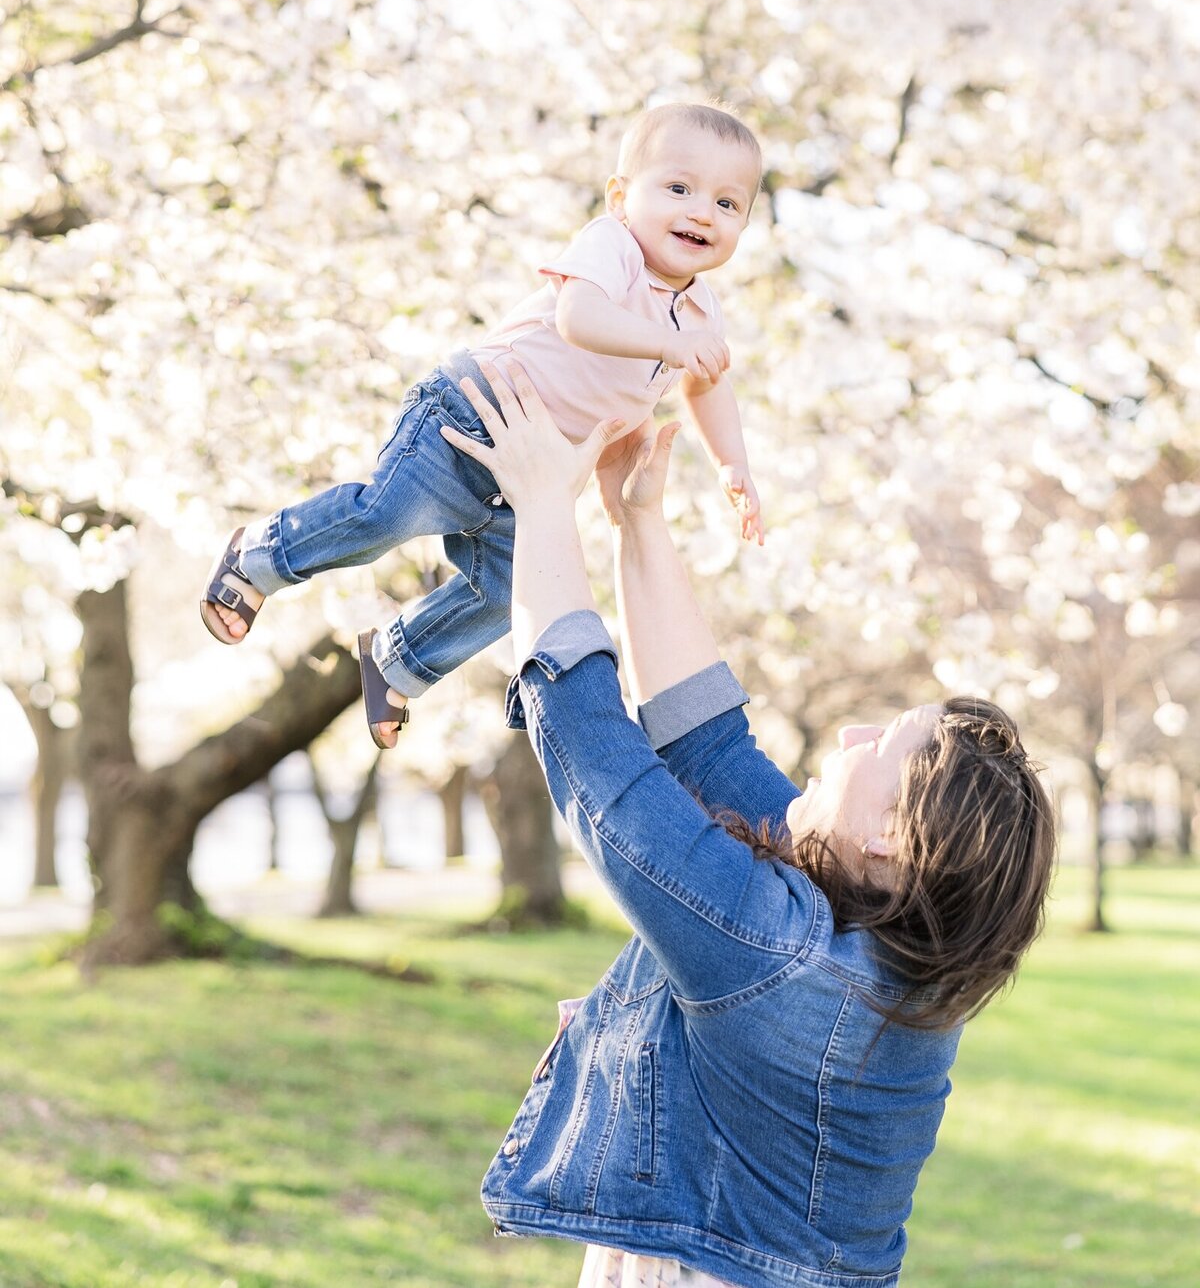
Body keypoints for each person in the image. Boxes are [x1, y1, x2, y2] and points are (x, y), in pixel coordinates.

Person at [435, 360, 1056, 1288]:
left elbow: (601, 764)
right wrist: (636, 523)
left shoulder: (781, 957)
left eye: (878, 742)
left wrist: (540, 503)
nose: (848, 733)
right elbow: (712, 750)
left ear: (895, 836)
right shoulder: (873, 940)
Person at [199, 102, 764, 746]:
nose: (701, 212)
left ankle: (398, 658)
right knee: (383, 518)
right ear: (620, 196)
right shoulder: (614, 248)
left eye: (728, 203)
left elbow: (706, 381)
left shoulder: (700, 309)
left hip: (536, 474)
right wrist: (667, 346)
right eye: (679, 188)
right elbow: (581, 318)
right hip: (470, 414)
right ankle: (260, 555)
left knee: (506, 594)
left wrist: (731, 462)